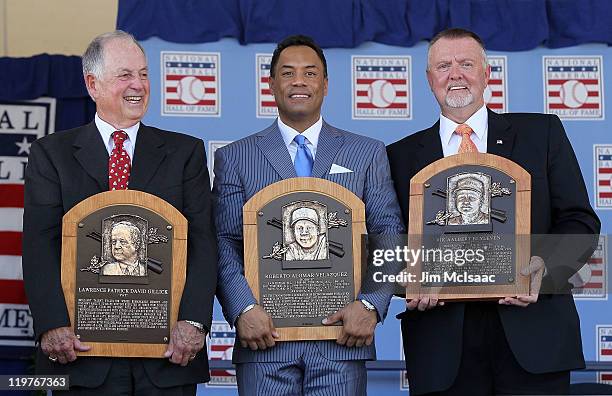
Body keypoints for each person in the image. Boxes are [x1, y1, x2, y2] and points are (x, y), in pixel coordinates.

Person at [387, 28, 600, 395]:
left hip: (534, 340)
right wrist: (405, 278)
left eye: (466, 64)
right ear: (429, 79)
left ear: (487, 74)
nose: (455, 74)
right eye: (443, 65)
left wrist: (544, 268)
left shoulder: (542, 133)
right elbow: (388, 239)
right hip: (442, 348)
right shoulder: (398, 156)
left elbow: (580, 221)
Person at [22, 30, 217, 395]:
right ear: (92, 84)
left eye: (143, 74)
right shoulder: (51, 154)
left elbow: (203, 242)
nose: (138, 85)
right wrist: (52, 324)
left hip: (167, 354)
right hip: (81, 354)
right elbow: (39, 244)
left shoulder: (185, 152)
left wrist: (193, 321)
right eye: (125, 75)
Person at [213, 34, 404, 395]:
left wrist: (371, 304)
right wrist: (242, 310)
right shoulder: (235, 157)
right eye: (287, 73)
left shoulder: (367, 153)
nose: (299, 81)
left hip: (342, 343)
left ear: (326, 84)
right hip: (264, 343)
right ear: (271, 84)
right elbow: (223, 240)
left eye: (310, 73)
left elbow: (388, 232)